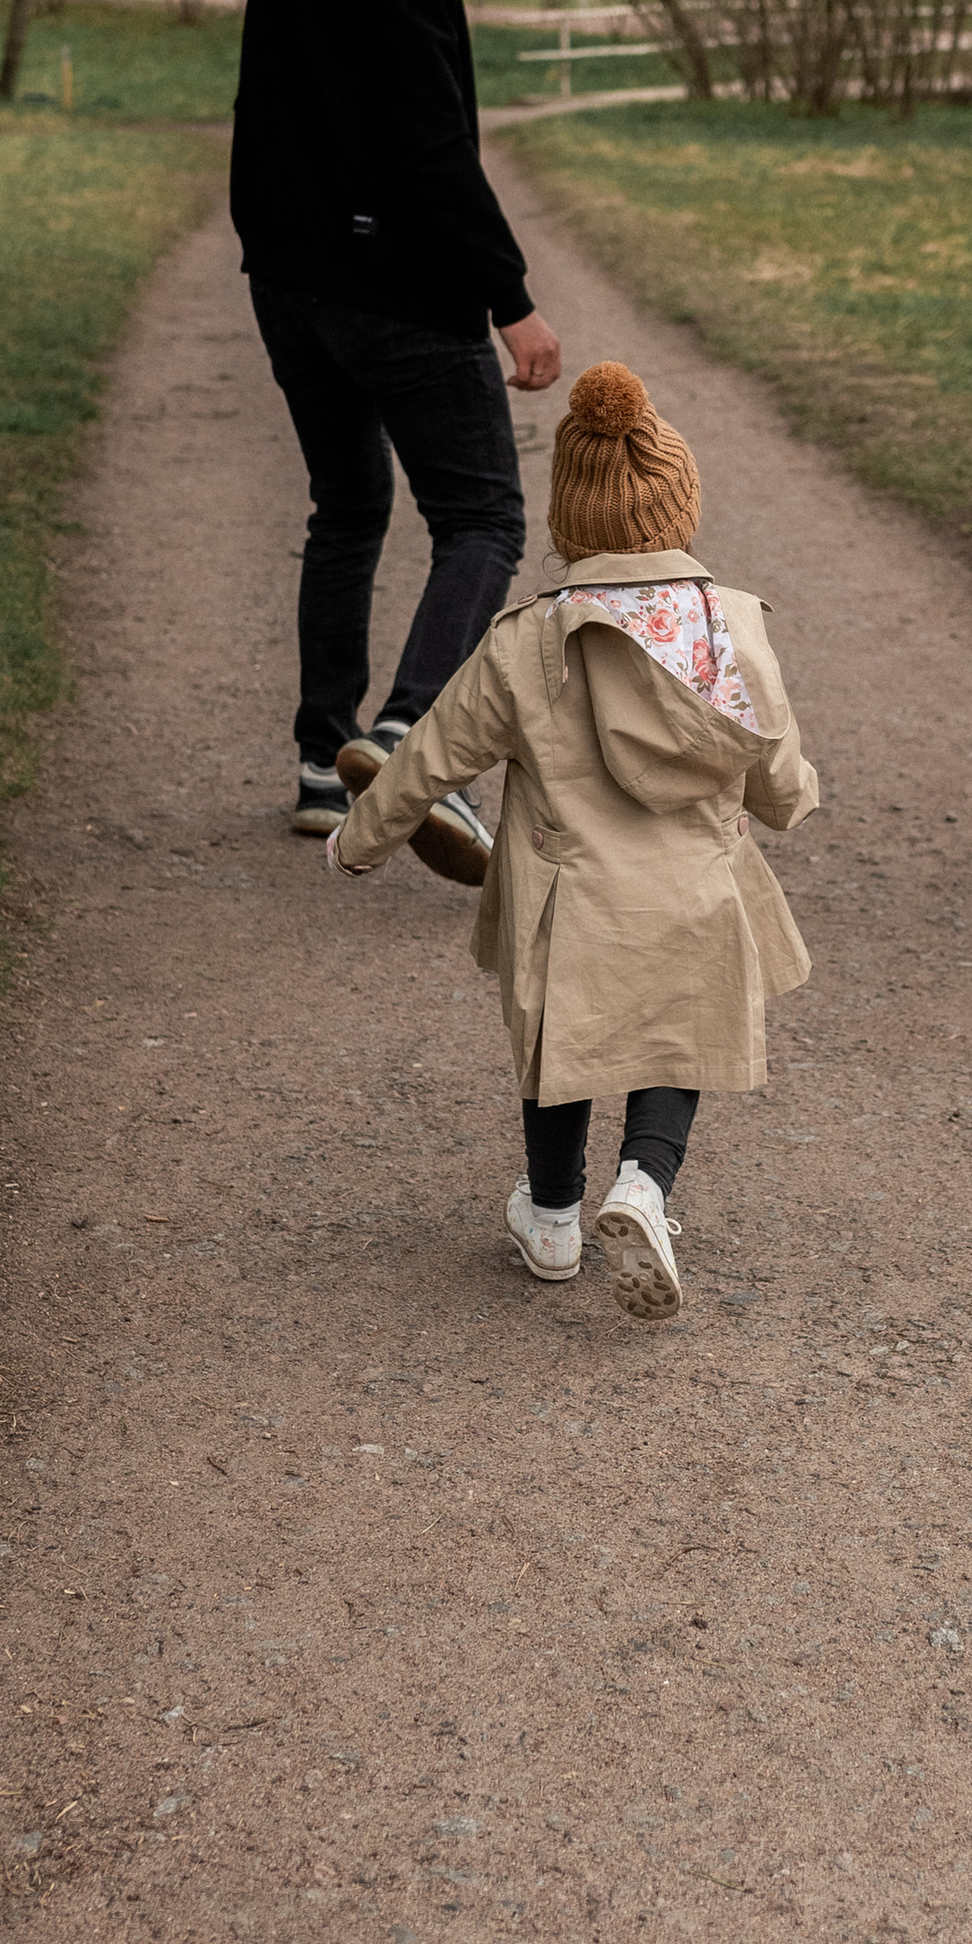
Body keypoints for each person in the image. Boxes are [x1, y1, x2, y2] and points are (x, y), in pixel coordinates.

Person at [326, 360, 818, 1320]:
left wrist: (360, 837)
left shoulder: (529, 640)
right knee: (677, 1042)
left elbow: (431, 753)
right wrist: (795, 798)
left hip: (570, 897)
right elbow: (775, 765)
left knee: (561, 1050)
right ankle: (643, 1186)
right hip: (696, 892)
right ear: (679, 510)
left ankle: (552, 1219)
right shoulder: (730, 626)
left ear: (569, 525)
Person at [230, 0, 562, 873]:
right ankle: (413, 731)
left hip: (294, 283)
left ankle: (326, 761)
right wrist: (508, 298)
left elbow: (266, 110)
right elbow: (430, 140)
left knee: (350, 504)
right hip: (393, 286)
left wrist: (273, 251)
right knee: (484, 517)